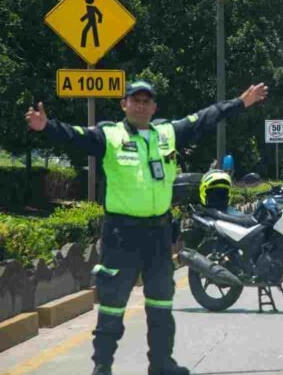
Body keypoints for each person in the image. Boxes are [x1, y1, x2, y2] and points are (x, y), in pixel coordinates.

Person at [25, 80, 268, 375]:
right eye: (135, 100)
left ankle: (161, 364)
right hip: (121, 235)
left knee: (161, 303)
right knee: (112, 305)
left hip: (158, 234)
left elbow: (206, 117)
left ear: (154, 107)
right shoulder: (109, 135)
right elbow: (74, 136)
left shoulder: (167, 133)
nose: (141, 105)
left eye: (146, 101)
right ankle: (102, 367)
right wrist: (45, 125)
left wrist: (242, 102)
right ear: (124, 104)